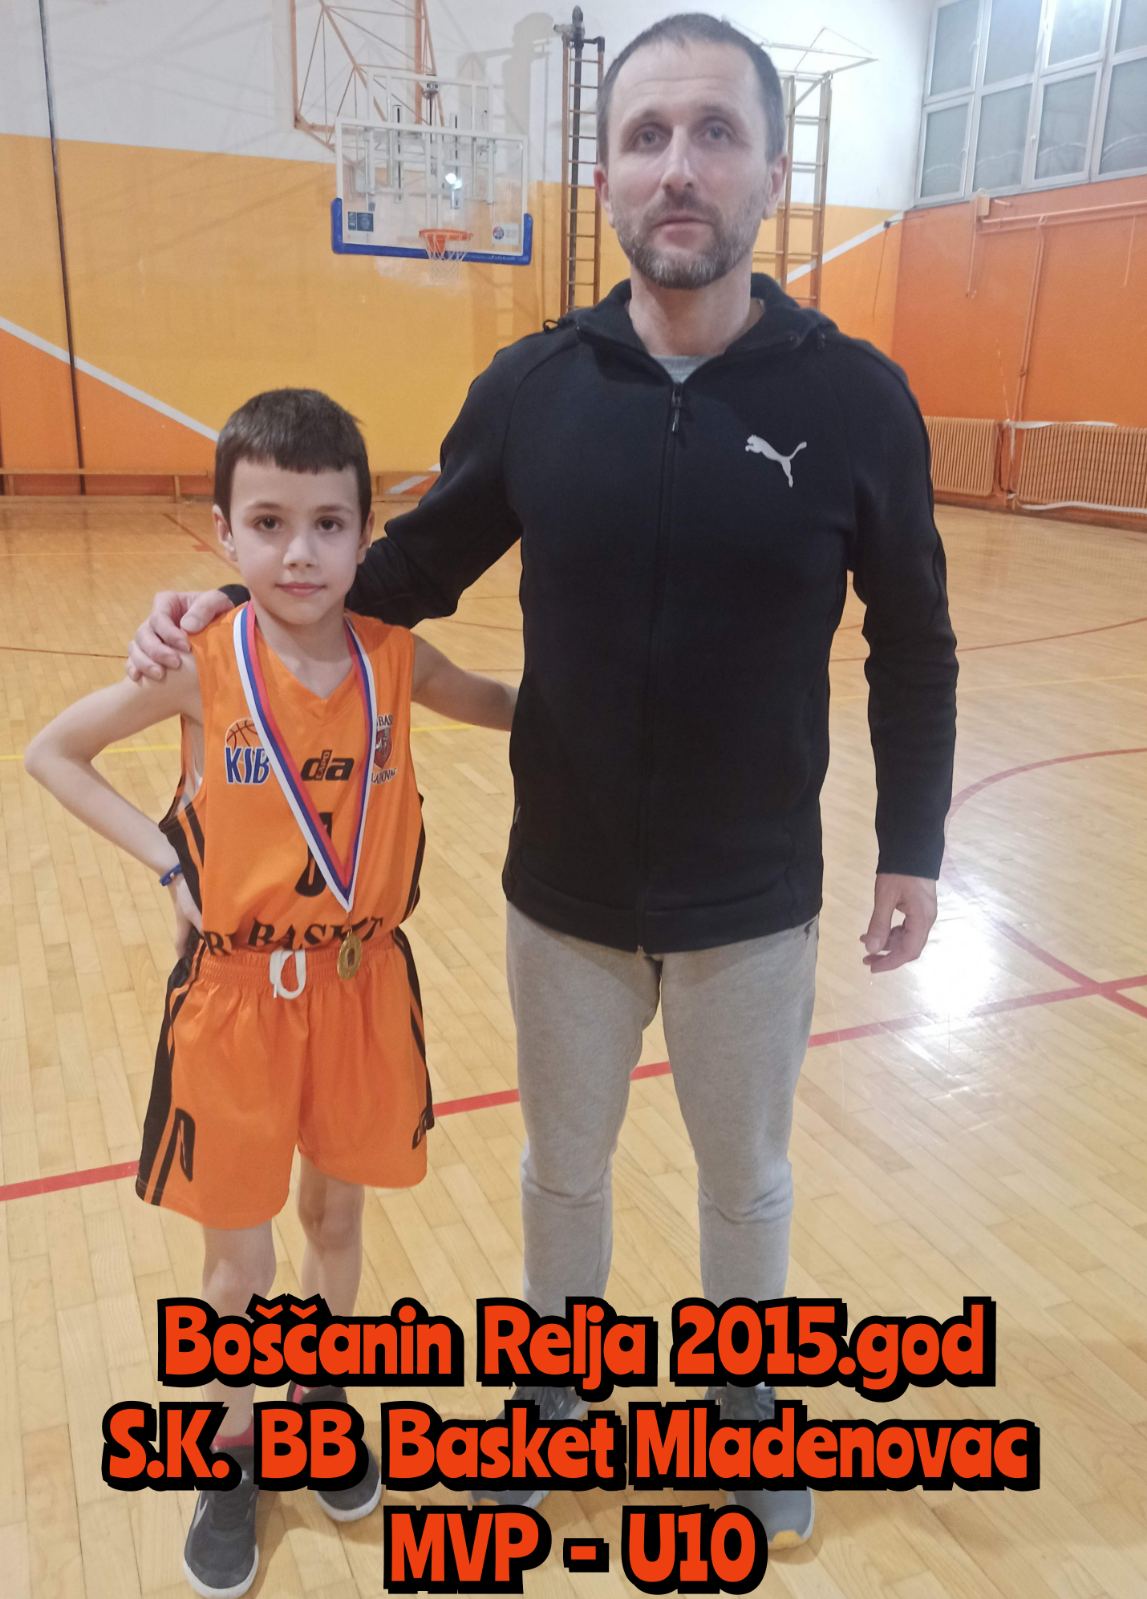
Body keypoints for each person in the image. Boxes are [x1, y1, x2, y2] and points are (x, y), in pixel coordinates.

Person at [127, 14, 958, 1552]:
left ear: (773, 171)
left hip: (751, 898)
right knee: (561, 1175)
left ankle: (744, 1408)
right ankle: (555, 1400)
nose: (677, 165)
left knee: (745, 1182)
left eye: (712, 131)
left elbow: (911, 637)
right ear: (605, 177)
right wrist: (228, 614)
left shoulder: (855, 399)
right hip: (562, 893)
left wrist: (910, 844)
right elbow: (402, 574)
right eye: (644, 136)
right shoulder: (533, 386)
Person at [27, 388, 516, 1599]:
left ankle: (317, 1401)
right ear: (225, 535)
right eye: (269, 524)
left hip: (361, 990)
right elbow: (54, 753)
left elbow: (516, 711)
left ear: (365, 533)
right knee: (236, 1267)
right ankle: (235, 1451)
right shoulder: (200, 665)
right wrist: (167, 862)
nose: (300, 553)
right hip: (236, 1001)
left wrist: (630, 693)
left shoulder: (397, 661)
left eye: (328, 524)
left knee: (337, 1226)